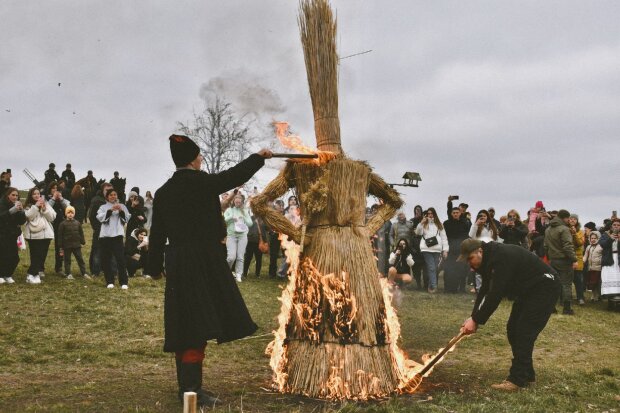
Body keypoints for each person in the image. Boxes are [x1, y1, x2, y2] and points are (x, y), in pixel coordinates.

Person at [146, 134, 271, 406]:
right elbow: (235, 175)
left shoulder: (164, 192)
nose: (201, 159)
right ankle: (191, 390)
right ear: (193, 159)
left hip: (178, 261)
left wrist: (154, 268)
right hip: (204, 260)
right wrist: (259, 157)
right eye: (199, 155)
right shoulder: (204, 184)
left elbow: (156, 236)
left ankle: (187, 387)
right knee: (196, 325)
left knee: (185, 323)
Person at [459, 239, 560, 391]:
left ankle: (517, 380)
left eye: (470, 259)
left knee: (523, 331)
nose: (469, 264)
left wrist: (477, 320)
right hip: (529, 290)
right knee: (513, 329)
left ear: (480, 251)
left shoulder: (500, 257)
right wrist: (474, 317)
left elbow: (496, 293)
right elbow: (485, 290)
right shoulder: (489, 259)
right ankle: (526, 374)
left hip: (545, 287)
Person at [544, 209, 577, 315]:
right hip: (564, 261)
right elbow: (568, 246)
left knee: (553, 283)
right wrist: (574, 259)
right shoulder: (564, 229)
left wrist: (550, 257)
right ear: (565, 218)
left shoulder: (548, 229)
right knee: (566, 284)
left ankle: (551, 307)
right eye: (568, 219)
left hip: (553, 260)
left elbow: (545, 246)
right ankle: (567, 309)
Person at [97, 188, 131, 289]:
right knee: (106, 259)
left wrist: (120, 211)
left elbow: (127, 218)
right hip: (105, 236)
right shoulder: (103, 207)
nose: (113, 196)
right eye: (111, 195)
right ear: (107, 197)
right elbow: (99, 217)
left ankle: (124, 282)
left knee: (120, 259)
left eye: (115, 195)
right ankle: (109, 281)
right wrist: (110, 210)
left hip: (118, 236)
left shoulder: (123, 206)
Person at [23, 187, 56, 284]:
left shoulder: (46, 204)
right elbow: (28, 216)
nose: (37, 195)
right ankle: (30, 274)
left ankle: (35, 274)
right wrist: (36, 206)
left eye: (38, 194)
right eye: (34, 194)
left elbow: (52, 217)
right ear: (31, 195)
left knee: (42, 256)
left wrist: (45, 209)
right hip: (34, 235)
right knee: (35, 256)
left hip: (46, 235)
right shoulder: (28, 206)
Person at [415, 207, 448, 293]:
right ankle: (434, 286)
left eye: (431, 213)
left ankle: (430, 286)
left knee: (434, 268)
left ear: (434, 214)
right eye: (428, 213)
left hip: (437, 249)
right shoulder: (424, 223)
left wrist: (445, 250)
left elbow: (444, 237)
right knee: (431, 267)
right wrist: (421, 223)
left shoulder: (439, 224)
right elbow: (418, 233)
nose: (430, 215)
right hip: (426, 248)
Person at [224, 193, 253, 282]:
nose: (237, 200)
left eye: (239, 199)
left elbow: (250, 223)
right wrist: (231, 217)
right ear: (233, 201)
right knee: (231, 257)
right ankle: (226, 272)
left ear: (241, 201)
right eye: (236, 198)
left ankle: (238, 274)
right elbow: (224, 220)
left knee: (240, 257)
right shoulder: (229, 210)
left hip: (242, 236)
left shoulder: (244, 211)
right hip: (231, 236)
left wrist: (243, 216)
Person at [0, 187, 26, 284]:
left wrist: (21, 211)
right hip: (2, 234)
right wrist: (13, 210)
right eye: (13, 195)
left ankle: (8, 274)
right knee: (3, 255)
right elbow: (2, 218)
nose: (15, 197)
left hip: (13, 234)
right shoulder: (2, 204)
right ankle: (1, 275)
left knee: (14, 257)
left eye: (16, 195)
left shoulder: (16, 205)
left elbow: (22, 221)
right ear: (8, 195)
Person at [443, 206, 471, 293]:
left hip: (461, 249)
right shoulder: (446, 223)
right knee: (449, 269)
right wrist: (445, 249)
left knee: (461, 269)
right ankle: (448, 288)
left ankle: (461, 288)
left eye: (457, 213)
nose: (455, 214)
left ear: (460, 213)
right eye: (454, 213)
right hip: (450, 249)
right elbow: (444, 237)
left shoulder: (465, 223)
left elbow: (467, 236)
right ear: (451, 214)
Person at [58, 206, 89, 280]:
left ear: (74, 214)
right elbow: (60, 235)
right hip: (67, 246)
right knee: (67, 260)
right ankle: (68, 274)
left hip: (77, 245)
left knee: (80, 259)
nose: (70, 214)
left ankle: (84, 272)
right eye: (68, 212)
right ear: (66, 214)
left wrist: (82, 241)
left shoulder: (77, 223)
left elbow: (81, 233)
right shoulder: (62, 224)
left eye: (72, 212)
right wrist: (60, 246)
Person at [47, 181, 71, 275]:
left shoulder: (63, 200)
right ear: (50, 190)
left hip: (61, 226)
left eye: (57, 189)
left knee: (60, 247)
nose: (56, 190)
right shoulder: (46, 199)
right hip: (48, 226)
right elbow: (47, 208)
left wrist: (61, 199)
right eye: (53, 188)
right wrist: (53, 198)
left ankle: (59, 267)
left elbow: (69, 208)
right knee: (44, 247)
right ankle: (40, 268)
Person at [88, 182, 113, 277]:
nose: (109, 192)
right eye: (107, 190)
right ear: (102, 190)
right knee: (97, 250)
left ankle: (106, 268)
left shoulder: (112, 201)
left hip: (110, 230)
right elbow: (91, 216)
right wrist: (97, 227)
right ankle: (95, 271)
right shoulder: (97, 201)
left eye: (110, 190)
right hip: (99, 229)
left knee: (108, 250)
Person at [599, 218, 620, 303]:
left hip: (618, 260)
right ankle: (610, 300)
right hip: (609, 259)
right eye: (614, 225)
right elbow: (602, 245)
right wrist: (610, 239)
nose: (616, 227)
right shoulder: (606, 234)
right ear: (611, 226)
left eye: (618, 225)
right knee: (609, 277)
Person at [568, 214, 585, 305]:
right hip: (567, 257)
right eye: (571, 219)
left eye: (575, 219)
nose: (573, 220)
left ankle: (580, 297)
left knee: (578, 280)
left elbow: (579, 243)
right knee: (567, 280)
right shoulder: (565, 230)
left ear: (577, 221)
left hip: (577, 257)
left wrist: (574, 234)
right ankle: (568, 297)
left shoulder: (581, 232)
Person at [583, 231, 603, 301]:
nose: (593, 239)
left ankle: (597, 296)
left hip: (598, 268)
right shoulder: (588, 247)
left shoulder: (601, 247)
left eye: (595, 238)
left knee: (597, 283)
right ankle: (593, 295)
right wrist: (582, 261)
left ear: (598, 238)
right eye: (592, 238)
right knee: (592, 283)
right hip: (590, 268)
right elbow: (585, 256)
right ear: (590, 239)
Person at [268, 200, 285, 278]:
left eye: (282, 206)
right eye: (279, 205)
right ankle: (272, 273)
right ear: (276, 206)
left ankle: (284, 273)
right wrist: (272, 231)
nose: (281, 207)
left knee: (286, 255)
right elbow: (268, 225)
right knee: (273, 255)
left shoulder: (286, 215)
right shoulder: (272, 215)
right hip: (275, 236)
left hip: (284, 237)